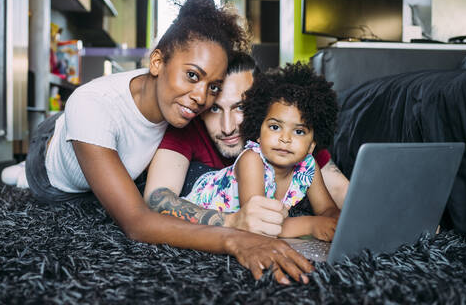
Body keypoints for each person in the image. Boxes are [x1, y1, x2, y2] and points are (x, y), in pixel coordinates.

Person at [1, 0, 313, 285]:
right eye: (192, 75)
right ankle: (22, 170)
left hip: (114, 152)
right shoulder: (92, 105)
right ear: (157, 62)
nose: (201, 97)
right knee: (62, 183)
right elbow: (136, 223)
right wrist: (235, 236)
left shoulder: (183, 109)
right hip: (51, 166)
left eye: (213, 86)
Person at [145, 53, 349, 237]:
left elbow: (341, 196)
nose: (227, 128)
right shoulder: (192, 129)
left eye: (240, 107)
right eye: (215, 109)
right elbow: (156, 199)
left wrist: (334, 221)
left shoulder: (296, 141)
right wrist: (312, 225)